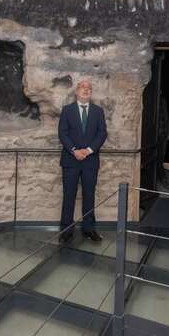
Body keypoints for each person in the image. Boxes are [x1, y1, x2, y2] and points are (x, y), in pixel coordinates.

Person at [58, 80, 108, 243]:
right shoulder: (67, 110)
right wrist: (74, 150)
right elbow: (62, 133)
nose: (86, 90)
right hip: (70, 160)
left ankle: (89, 229)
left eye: (89, 89)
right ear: (77, 91)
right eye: (83, 88)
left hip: (90, 160)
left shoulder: (98, 111)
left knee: (89, 195)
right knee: (69, 195)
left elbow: (102, 134)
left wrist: (88, 150)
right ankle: (66, 231)